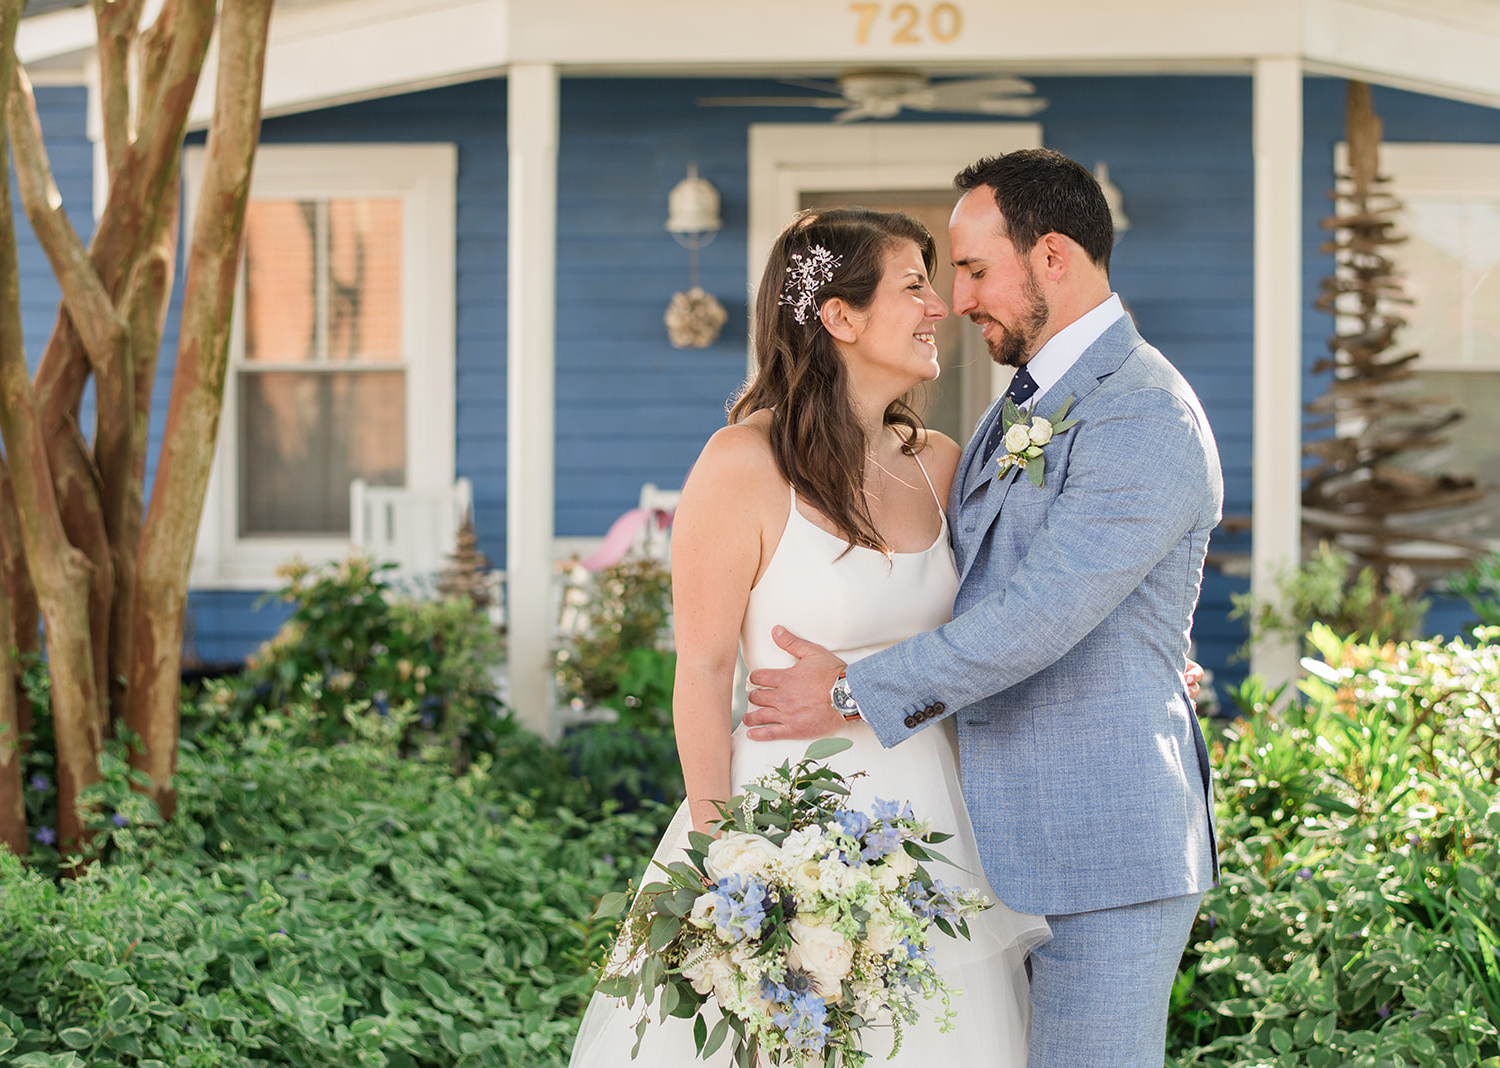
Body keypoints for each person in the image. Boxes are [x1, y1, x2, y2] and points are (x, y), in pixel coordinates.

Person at [740, 149, 1224, 1067]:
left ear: (1051, 257)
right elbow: (978, 580)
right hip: (983, 836)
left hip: (1103, 847)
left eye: (971, 269)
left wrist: (849, 691)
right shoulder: (1019, 408)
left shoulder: (1146, 412)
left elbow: (1038, 616)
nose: (957, 301)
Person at [568, 206, 1051, 1067]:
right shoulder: (739, 466)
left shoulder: (941, 460)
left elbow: (1000, 628)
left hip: (937, 829)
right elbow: (705, 669)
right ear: (840, 317)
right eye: (913, 287)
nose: (939, 306)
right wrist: (723, 859)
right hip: (786, 822)